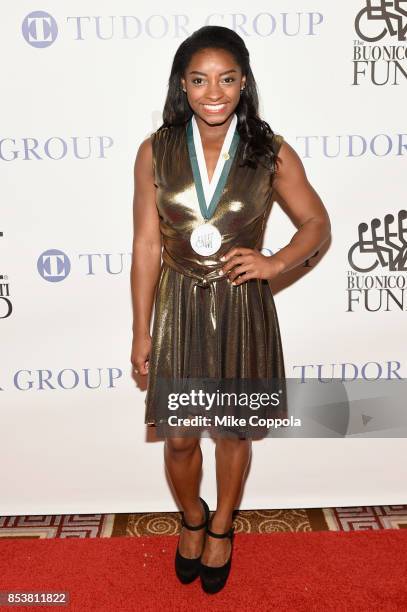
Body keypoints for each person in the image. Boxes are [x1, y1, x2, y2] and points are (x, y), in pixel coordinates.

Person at [130, 25, 330, 594]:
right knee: (179, 438)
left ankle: (222, 527)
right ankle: (191, 516)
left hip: (242, 310)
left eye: (226, 78)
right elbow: (147, 246)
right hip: (178, 310)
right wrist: (141, 331)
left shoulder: (269, 150)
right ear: (183, 85)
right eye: (198, 79)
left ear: (244, 82)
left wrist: (275, 263)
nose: (212, 91)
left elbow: (317, 223)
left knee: (234, 435)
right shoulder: (156, 150)